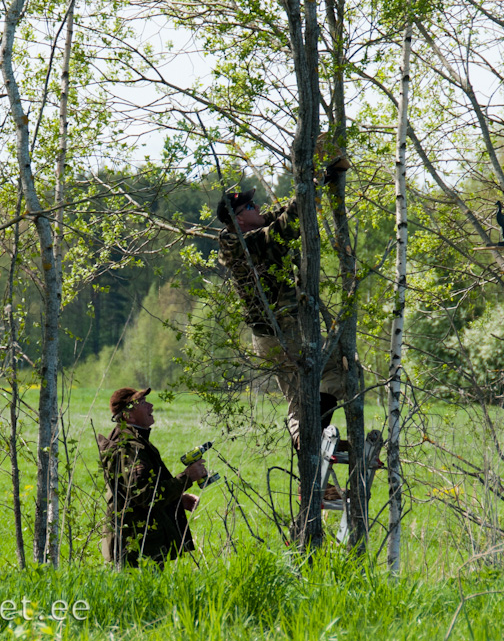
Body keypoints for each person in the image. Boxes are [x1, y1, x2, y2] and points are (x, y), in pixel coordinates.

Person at [216, 135, 351, 451]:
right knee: (341, 367)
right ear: (238, 219)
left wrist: (316, 181)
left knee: (296, 397)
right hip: (283, 331)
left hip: (270, 336)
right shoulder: (246, 246)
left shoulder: (245, 240)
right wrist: (316, 179)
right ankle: (313, 436)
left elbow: (278, 217)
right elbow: (286, 224)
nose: (257, 205)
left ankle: (310, 449)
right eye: (250, 205)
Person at [97, 387, 208, 567]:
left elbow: (138, 492)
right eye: (141, 403)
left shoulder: (136, 442)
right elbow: (145, 496)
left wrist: (177, 499)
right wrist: (187, 477)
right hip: (135, 548)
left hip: (143, 544)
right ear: (128, 416)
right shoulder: (128, 447)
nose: (150, 406)